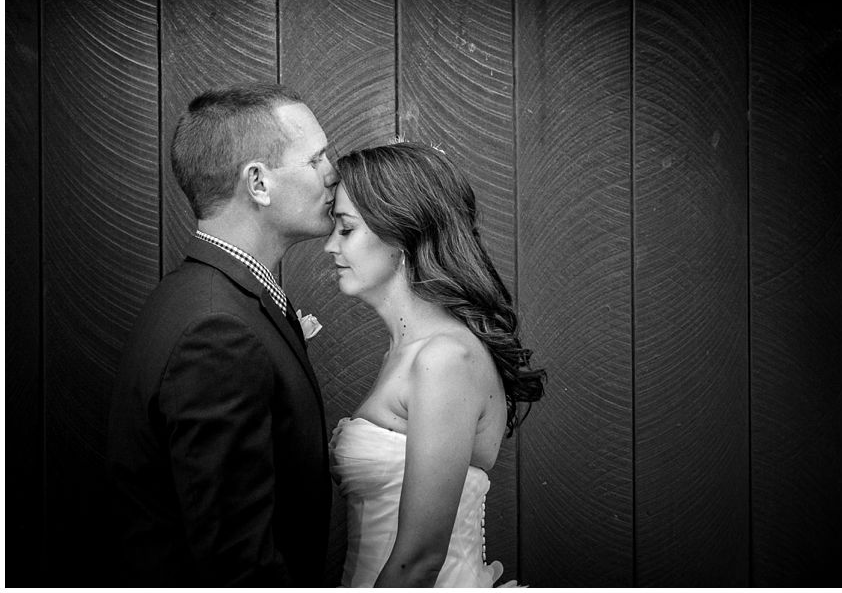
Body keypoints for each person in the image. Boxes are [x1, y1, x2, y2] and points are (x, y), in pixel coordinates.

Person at [106, 82, 336, 586]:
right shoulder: (217, 331)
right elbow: (238, 563)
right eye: (316, 158)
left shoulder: (197, 294)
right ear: (258, 182)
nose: (332, 173)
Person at [326, 142, 545, 587]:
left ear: (401, 235)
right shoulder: (405, 353)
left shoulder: (444, 359)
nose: (330, 245)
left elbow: (420, 557)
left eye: (346, 228)